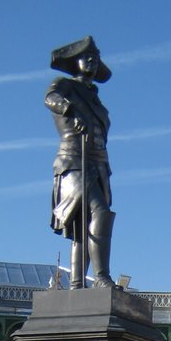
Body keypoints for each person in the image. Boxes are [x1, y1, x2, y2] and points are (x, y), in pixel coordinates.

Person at [45, 36, 116, 289]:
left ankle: (77, 285)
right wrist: (69, 110)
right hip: (73, 160)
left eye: (95, 58)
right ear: (75, 62)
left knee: (83, 227)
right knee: (100, 213)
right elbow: (50, 97)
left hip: (98, 165)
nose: (91, 61)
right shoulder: (65, 85)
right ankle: (102, 277)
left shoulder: (95, 97)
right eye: (86, 57)